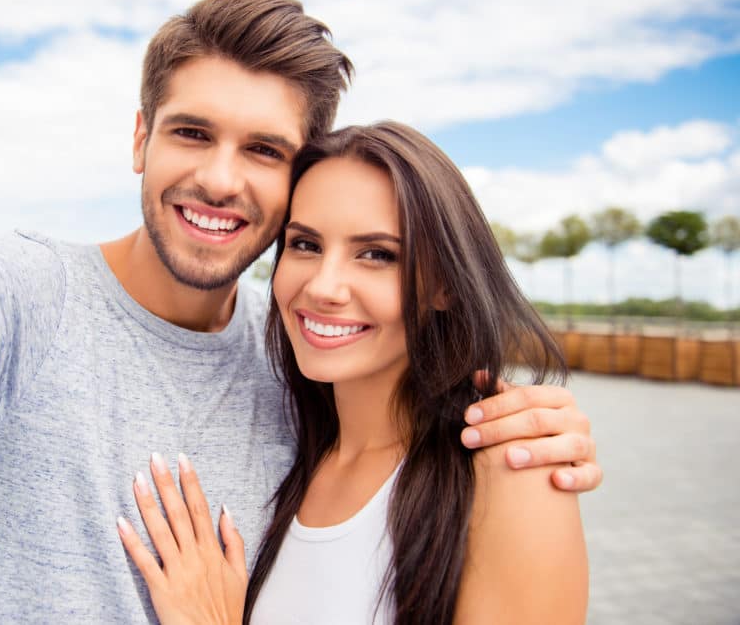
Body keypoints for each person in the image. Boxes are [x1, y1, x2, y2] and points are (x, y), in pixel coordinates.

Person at [0, 0, 598, 622]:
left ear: (297, 177)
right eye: (191, 131)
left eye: (262, 148)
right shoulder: (20, 302)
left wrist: (520, 442)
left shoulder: (301, 358)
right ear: (139, 137)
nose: (219, 176)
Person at [117, 122, 588, 624]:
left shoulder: (509, 473)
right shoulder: (292, 446)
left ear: (446, 285)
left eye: (377, 255)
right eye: (305, 245)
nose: (325, 286)